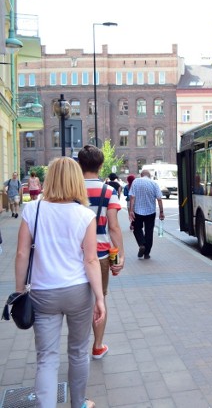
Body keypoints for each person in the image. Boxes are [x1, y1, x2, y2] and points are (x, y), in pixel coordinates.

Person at [15, 157, 105, 408]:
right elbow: (90, 260)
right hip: (78, 292)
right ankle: (79, 404)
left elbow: (22, 253)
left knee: (46, 357)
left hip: (43, 294)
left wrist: (19, 290)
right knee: (78, 352)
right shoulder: (85, 214)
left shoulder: (33, 209)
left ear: (49, 179)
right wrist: (99, 298)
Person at [77, 145, 125, 361]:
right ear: (101, 165)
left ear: (79, 164)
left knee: (78, 301)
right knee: (99, 298)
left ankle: (78, 346)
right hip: (101, 256)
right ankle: (97, 346)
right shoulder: (109, 191)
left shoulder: (71, 190)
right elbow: (113, 227)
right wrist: (120, 256)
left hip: (75, 256)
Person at [128, 169, 164, 259]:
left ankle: (141, 244)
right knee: (149, 232)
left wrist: (131, 211)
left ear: (141, 175)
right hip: (151, 212)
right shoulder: (154, 183)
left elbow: (132, 197)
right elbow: (159, 199)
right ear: (149, 176)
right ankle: (146, 253)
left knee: (137, 229)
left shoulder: (135, 182)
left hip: (138, 211)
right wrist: (161, 212)